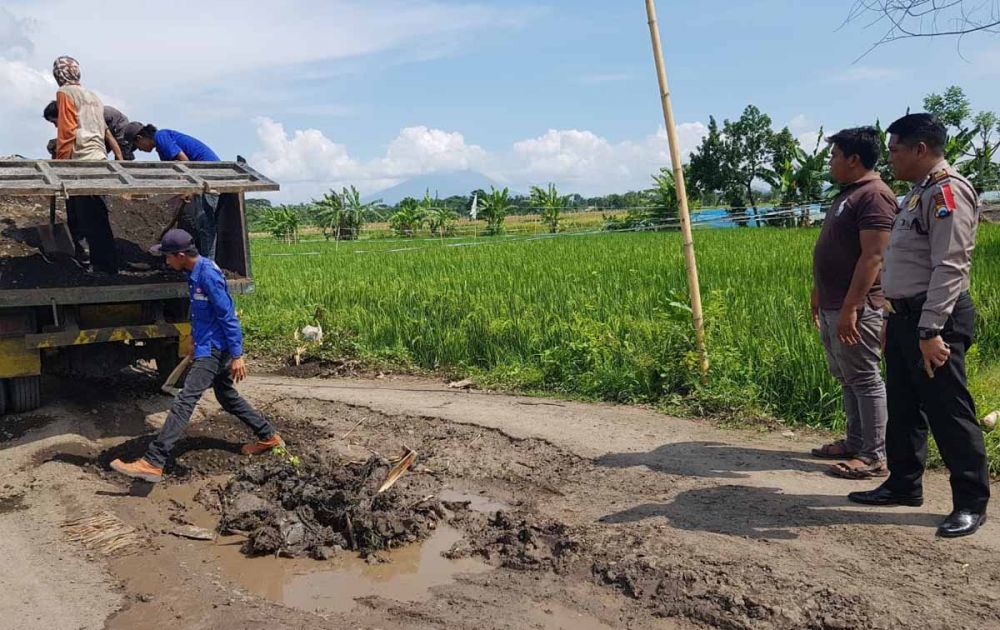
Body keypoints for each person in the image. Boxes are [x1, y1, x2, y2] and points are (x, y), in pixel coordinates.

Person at [848, 113, 989, 538]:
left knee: (949, 411)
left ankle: (970, 502)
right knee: (904, 409)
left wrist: (930, 330)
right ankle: (904, 483)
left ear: (920, 149)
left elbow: (950, 265)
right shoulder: (917, 195)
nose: (889, 158)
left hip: (936, 319)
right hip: (906, 316)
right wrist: (897, 316)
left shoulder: (947, 191)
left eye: (894, 150)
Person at [110, 229, 283, 483]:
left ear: (181, 255)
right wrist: (193, 339)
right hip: (207, 344)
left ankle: (153, 461)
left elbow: (228, 315)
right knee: (226, 396)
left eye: (168, 257)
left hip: (215, 349)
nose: (166, 261)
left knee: (184, 401)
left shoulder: (208, 274)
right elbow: (204, 314)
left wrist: (237, 354)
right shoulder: (195, 272)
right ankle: (268, 436)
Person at [810, 127, 897, 479]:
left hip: (855, 307)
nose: (830, 162)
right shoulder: (849, 194)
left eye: (834, 155)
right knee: (848, 376)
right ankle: (856, 441)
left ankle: (874, 455)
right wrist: (818, 290)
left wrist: (851, 308)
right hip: (834, 302)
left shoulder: (874, 196)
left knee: (864, 377)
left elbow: (873, 257)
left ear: (853, 159)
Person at [51, 55, 118, 274]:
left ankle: (101, 267)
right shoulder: (94, 97)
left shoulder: (65, 93)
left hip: (81, 161)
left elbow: (68, 130)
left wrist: (60, 166)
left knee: (87, 216)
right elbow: (102, 130)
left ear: (58, 75)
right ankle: (107, 264)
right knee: (98, 213)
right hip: (99, 159)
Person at [128, 124, 222, 259]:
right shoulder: (161, 147)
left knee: (205, 225)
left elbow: (184, 161)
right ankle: (195, 260)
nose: (141, 151)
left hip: (208, 178)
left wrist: (190, 189)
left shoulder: (161, 137)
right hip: (201, 178)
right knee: (197, 224)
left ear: (140, 138)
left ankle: (207, 264)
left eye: (138, 147)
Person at [43, 101, 131, 160]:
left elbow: (109, 137)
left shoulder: (86, 116)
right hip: (99, 132)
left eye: (54, 122)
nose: (56, 126)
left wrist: (120, 162)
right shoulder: (70, 122)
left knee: (122, 155)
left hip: (118, 126)